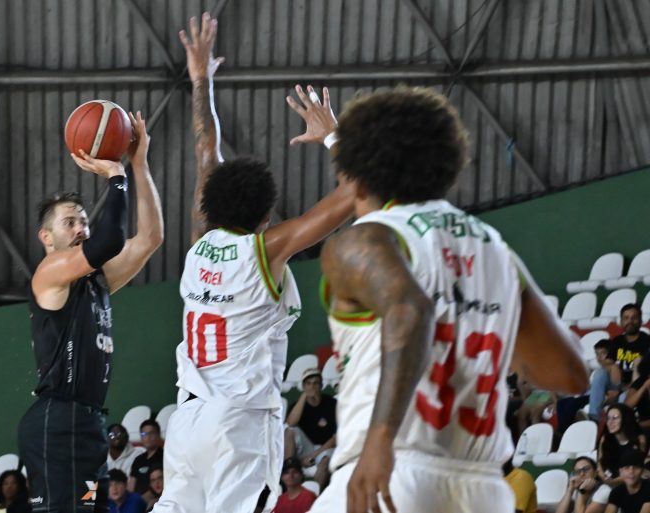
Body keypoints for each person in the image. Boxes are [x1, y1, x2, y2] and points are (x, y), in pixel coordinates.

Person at [306, 86, 589, 513]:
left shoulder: (367, 240)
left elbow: (411, 309)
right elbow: (569, 375)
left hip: (394, 474)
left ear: (356, 179)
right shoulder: (497, 251)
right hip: (484, 490)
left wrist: (380, 438)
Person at [151, 12, 353, 513]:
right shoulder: (267, 250)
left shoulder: (200, 242)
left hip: (187, 422)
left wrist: (200, 81)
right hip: (239, 422)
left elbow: (206, 149)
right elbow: (354, 193)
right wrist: (332, 135)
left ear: (211, 205)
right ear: (266, 215)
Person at [17, 111, 164, 513]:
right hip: (57, 424)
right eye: (70, 223)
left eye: (84, 221)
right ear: (46, 238)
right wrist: (116, 175)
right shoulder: (50, 272)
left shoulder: (96, 281)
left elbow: (151, 238)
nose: (81, 228)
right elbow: (110, 240)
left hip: (88, 425)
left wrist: (138, 164)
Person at [285, 367, 337, 488]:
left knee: (325, 461)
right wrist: (304, 396)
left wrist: (313, 456)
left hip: (324, 448)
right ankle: (289, 483)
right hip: (306, 447)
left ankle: (313, 496)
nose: (312, 387)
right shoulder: (298, 405)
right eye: (308, 384)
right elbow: (290, 423)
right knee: (290, 431)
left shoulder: (332, 403)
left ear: (321, 386)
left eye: (315, 383)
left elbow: (336, 438)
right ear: (303, 387)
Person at [598, 404, 647, 487]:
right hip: (607, 481)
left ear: (625, 419)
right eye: (608, 418)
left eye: (615, 418)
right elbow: (599, 462)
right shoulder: (605, 438)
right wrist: (604, 478)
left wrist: (612, 482)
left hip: (630, 482)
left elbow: (639, 470)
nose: (610, 422)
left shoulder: (640, 440)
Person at [128, 420, 163, 494]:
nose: (148, 437)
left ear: (159, 435)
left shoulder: (165, 457)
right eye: (144, 434)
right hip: (138, 499)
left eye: (151, 433)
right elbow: (131, 487)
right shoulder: (138, 460)